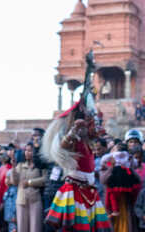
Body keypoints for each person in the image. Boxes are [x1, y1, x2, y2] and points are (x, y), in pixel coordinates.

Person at [41, 51, 111, 232]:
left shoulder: (89, 139)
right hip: (75, 190)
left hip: (89, 190)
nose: (92, 123)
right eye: (89, 120)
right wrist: (73, 132)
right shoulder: (75, 137)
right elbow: (64, 146)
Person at [100, 145, 141, 232]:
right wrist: (112, 167)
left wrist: (129, 166)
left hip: (126, 203)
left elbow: (137, 180)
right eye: (115, 150)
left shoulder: (128, 165)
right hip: (111, 203)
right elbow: (103, 180)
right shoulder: (106, 164)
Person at [7, 143, 46, 232]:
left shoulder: (40, 166)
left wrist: (29, 182)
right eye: (26, 150)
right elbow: (14, 182)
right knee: (22, 228)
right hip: (21, 201)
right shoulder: (20, 165)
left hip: (35, 200)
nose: (27, 153)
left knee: (35, 228)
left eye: (30, 150)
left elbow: (45, 180)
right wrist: (13, 166)